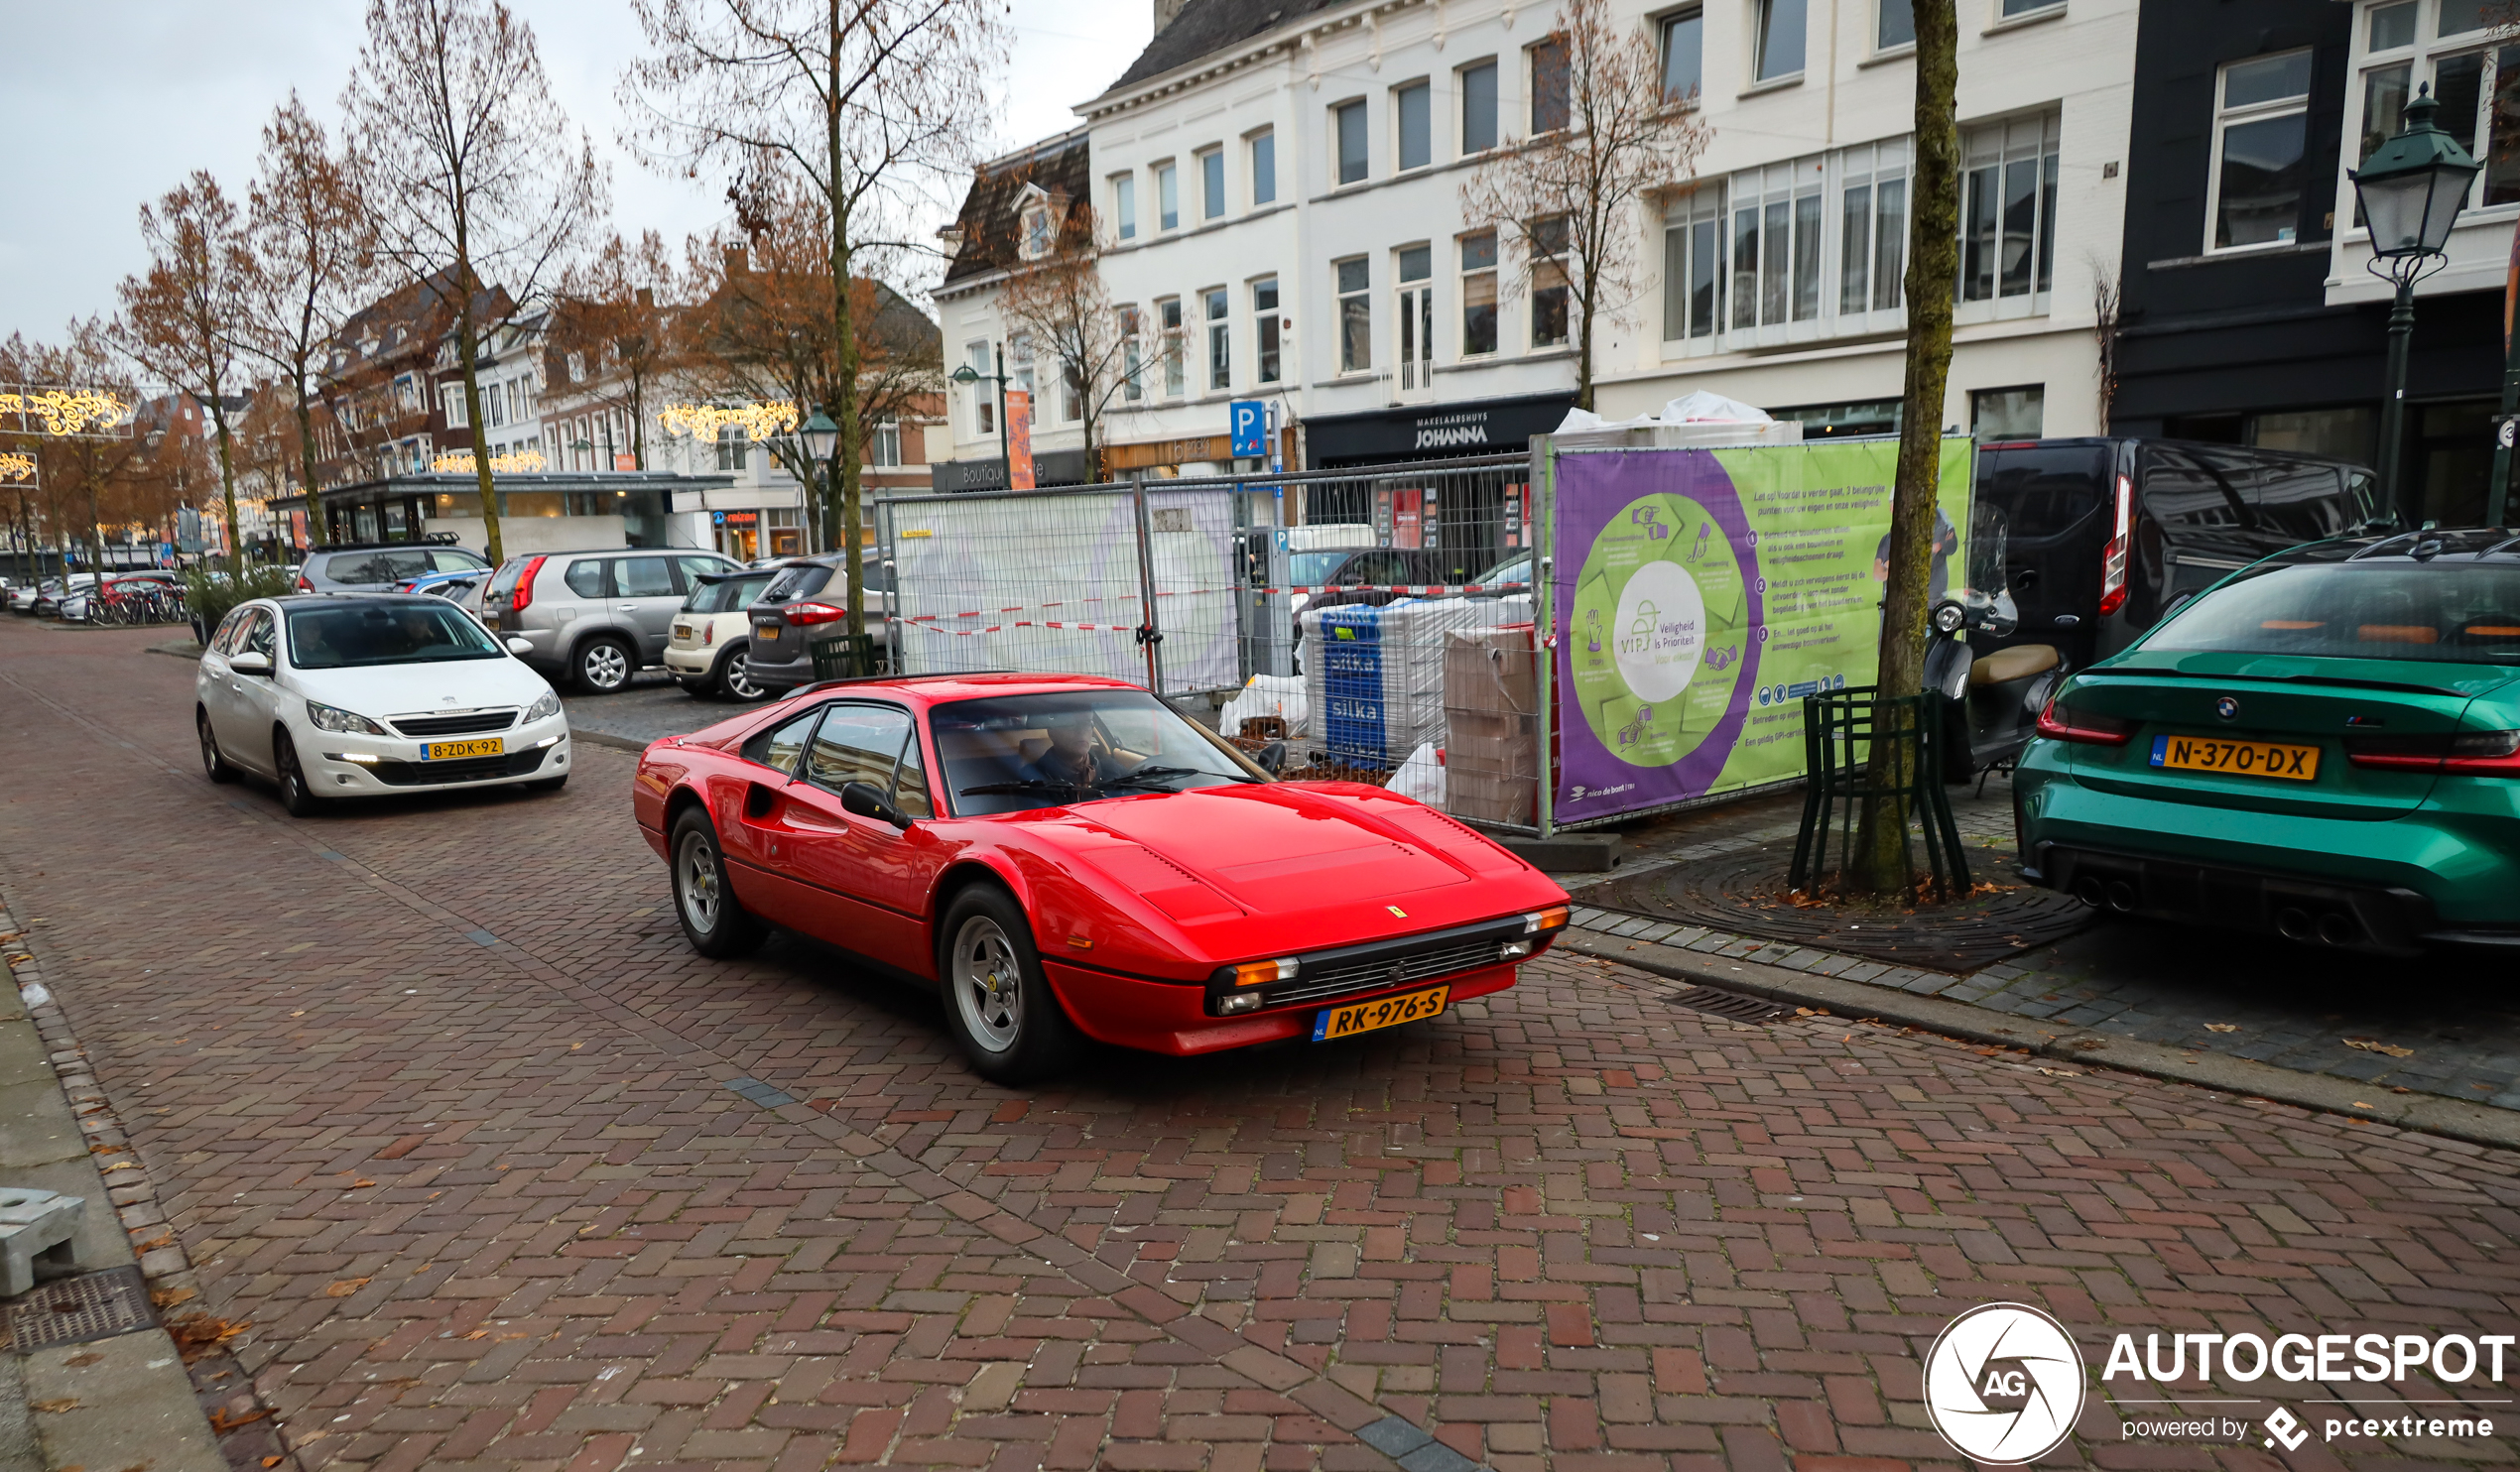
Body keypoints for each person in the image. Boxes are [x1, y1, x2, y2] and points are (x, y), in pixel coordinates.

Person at [1017, 709, 1130, 788]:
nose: (1081, 731)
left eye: (1086, 724)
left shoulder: (1110, 768)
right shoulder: (1031, 778)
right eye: (1070, 724)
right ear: (1052, 732)